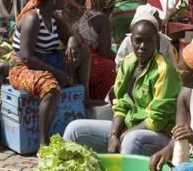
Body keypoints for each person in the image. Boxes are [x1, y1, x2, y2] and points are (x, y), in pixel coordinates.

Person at [64, 16, 181, 156]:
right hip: (128, 127)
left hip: (159, 135)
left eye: (149, 41)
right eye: (138, 41)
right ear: (131, 41)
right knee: (74, 130)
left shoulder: (164, 70)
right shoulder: (128, 62)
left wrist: (124, 134)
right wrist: (113, 134)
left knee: (131, 139)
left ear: (156, 41)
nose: (143, 46)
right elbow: (121, 104)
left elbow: (157, 120)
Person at [1, 0, 93, 146]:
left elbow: (73, 36)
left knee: (84, 52)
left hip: (47, 59)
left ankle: (85, 98)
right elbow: (27, 58)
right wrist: (57, 73)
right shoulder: (32, 19)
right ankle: (44, 142)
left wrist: (72, 41)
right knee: (51, 88)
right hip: (23, 67)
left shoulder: (54, 18)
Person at [149, 39, 193, 171]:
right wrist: (165, 151)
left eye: (182, 69)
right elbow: (178, 134)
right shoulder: (186, 94)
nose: (177, 71)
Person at [71, 0, 117, 101]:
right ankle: (102, 100)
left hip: (78, 54)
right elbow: (104, 51)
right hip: (88, 57)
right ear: (111, 6)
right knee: (112, 67)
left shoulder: (88, 13)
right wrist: (119, 58)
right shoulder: (103, 19)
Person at [116, 4, 177, 69]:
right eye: (156, 17)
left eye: (149, 41)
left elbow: (171, 66)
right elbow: (119, 65)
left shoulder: (164, 41)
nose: (160, 20)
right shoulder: (128, 41)